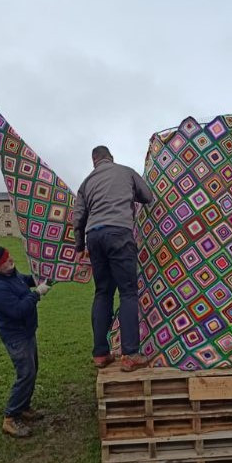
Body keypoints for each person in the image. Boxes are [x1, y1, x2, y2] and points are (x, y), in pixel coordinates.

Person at [74, 145, 154, 372]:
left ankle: (100, 354)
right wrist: (129, 195)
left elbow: (78, 217)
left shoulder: (86, 183)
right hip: (119, 233)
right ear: (111, 158)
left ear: (94, 161)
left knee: (102, 292)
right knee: (128, 292)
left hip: (94, 237)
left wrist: (80, 246)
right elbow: (147, 196)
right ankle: (130, 355)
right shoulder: (126, 172)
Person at [0, 245, 51, 438]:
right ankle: (10, 418)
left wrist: (41, 279)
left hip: (27, 331)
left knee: (32, 370)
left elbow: (24, 281)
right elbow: (19, 310)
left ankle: (24, 407)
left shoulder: (10, 274)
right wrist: (37, 294)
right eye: (5, 259)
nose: (10, 259)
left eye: (8, 256)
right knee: (26, 374)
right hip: (16, 336)